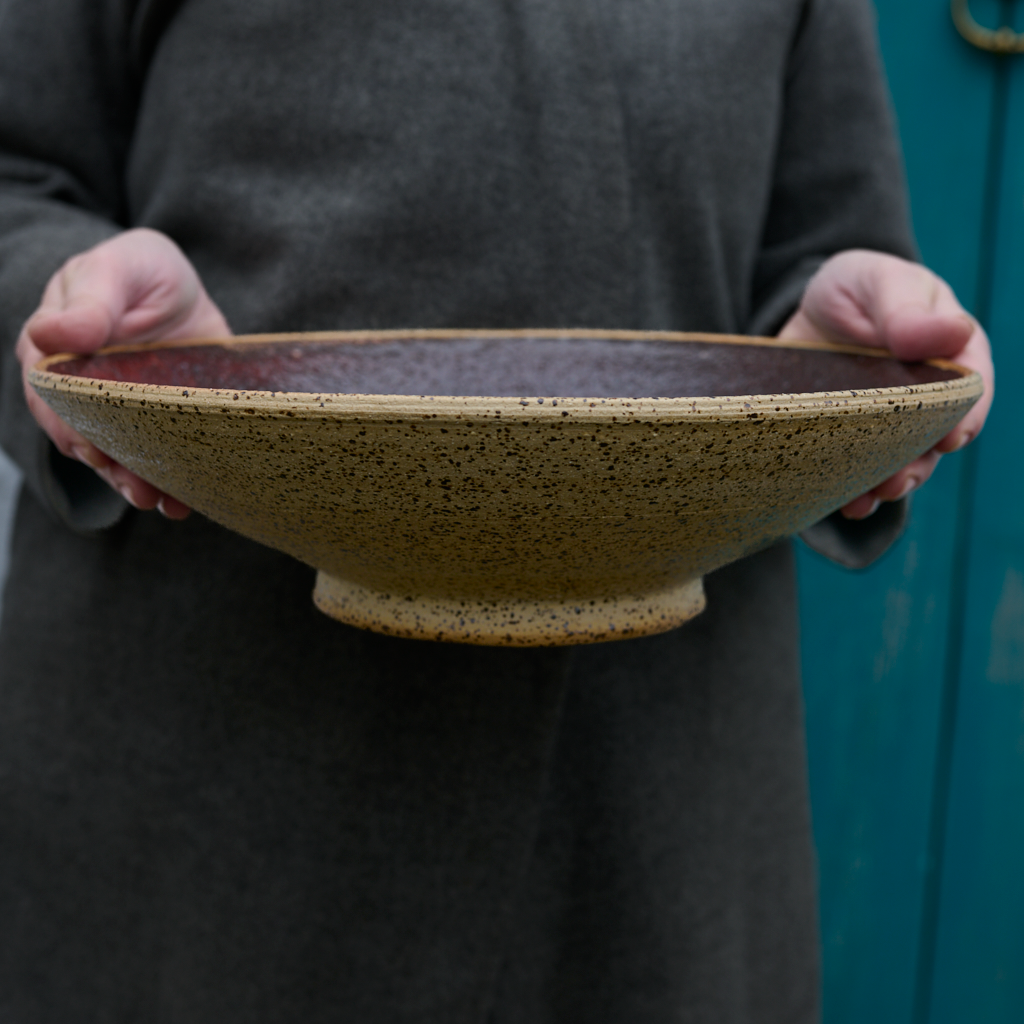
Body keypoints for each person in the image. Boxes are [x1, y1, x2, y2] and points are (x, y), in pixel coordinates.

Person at [0, 1, 993, 1021]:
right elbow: (18, 175)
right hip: (208, 772)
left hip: (655, 802)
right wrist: (74, 308)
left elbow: (827, 241)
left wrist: (840, 357)